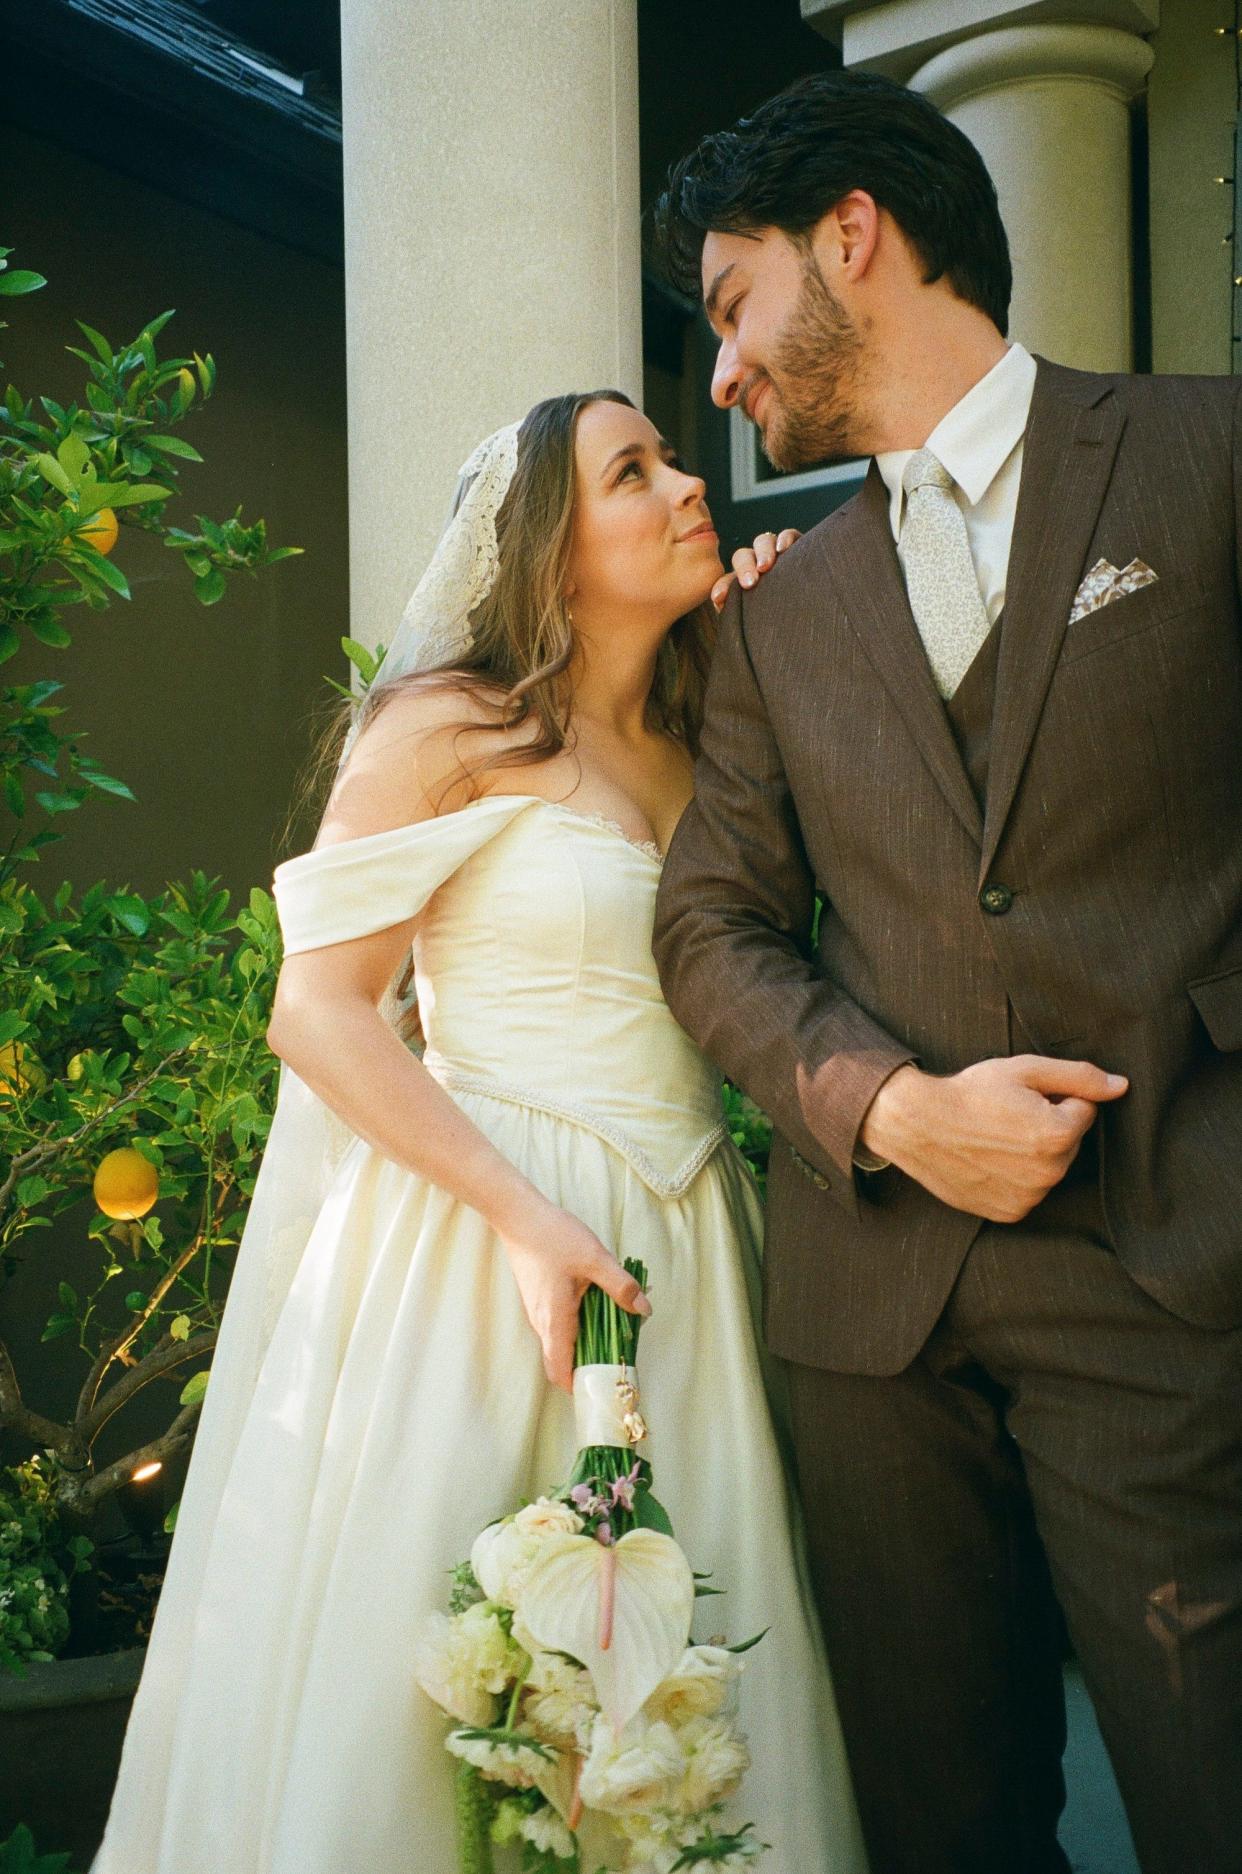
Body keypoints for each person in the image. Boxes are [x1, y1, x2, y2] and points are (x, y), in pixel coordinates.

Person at [91, 389, 868, 1874]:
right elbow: (318, 1012)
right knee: (446, 1685)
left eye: (670, 458)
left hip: (692, 1240)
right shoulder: (445, 727)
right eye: (631, 472)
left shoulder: (718, 742)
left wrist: (785, 634)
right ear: (546, 550)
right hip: (483, 1243)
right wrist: (524, 1218)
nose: (688, 485)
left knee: (690, 1689)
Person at [652, 69, 1242, 1874]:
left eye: (732, 301)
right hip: (871, 1324)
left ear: (855, 233)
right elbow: (709, 923)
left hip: (1167, 1274)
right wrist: (893, 1108)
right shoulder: (775, 610)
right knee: (940, 1827)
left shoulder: (1206, 454)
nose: (725, 374)